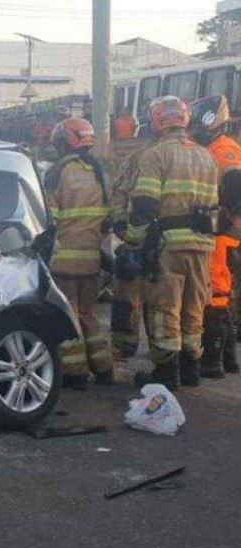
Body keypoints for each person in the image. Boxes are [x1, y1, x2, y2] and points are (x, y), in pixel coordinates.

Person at [123, 96, 219, 390]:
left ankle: (167, 371)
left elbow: (144, 206)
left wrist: (134, 244)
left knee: (166, 306)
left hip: (168, 244)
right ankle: (191, 367)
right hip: (202, 245)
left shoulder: (155, 155)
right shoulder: (207, 156)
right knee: (194, 306)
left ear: (157, 121)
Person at [44, 118, 115, 388]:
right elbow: (109, 216)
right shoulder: (99, 171)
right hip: (92, 258)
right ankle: (104, 369)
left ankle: (75, 374)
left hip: (63, 259)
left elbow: (48, 217)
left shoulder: (58, 171)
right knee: (88, 314)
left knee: (68, 315)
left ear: (67, 142)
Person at [204, 170, 241, 377]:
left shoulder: (225, 222)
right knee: (224, 308)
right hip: (230, 252)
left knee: (216, 307)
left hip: (221, 256)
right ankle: (228, 360)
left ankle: (212, 363)